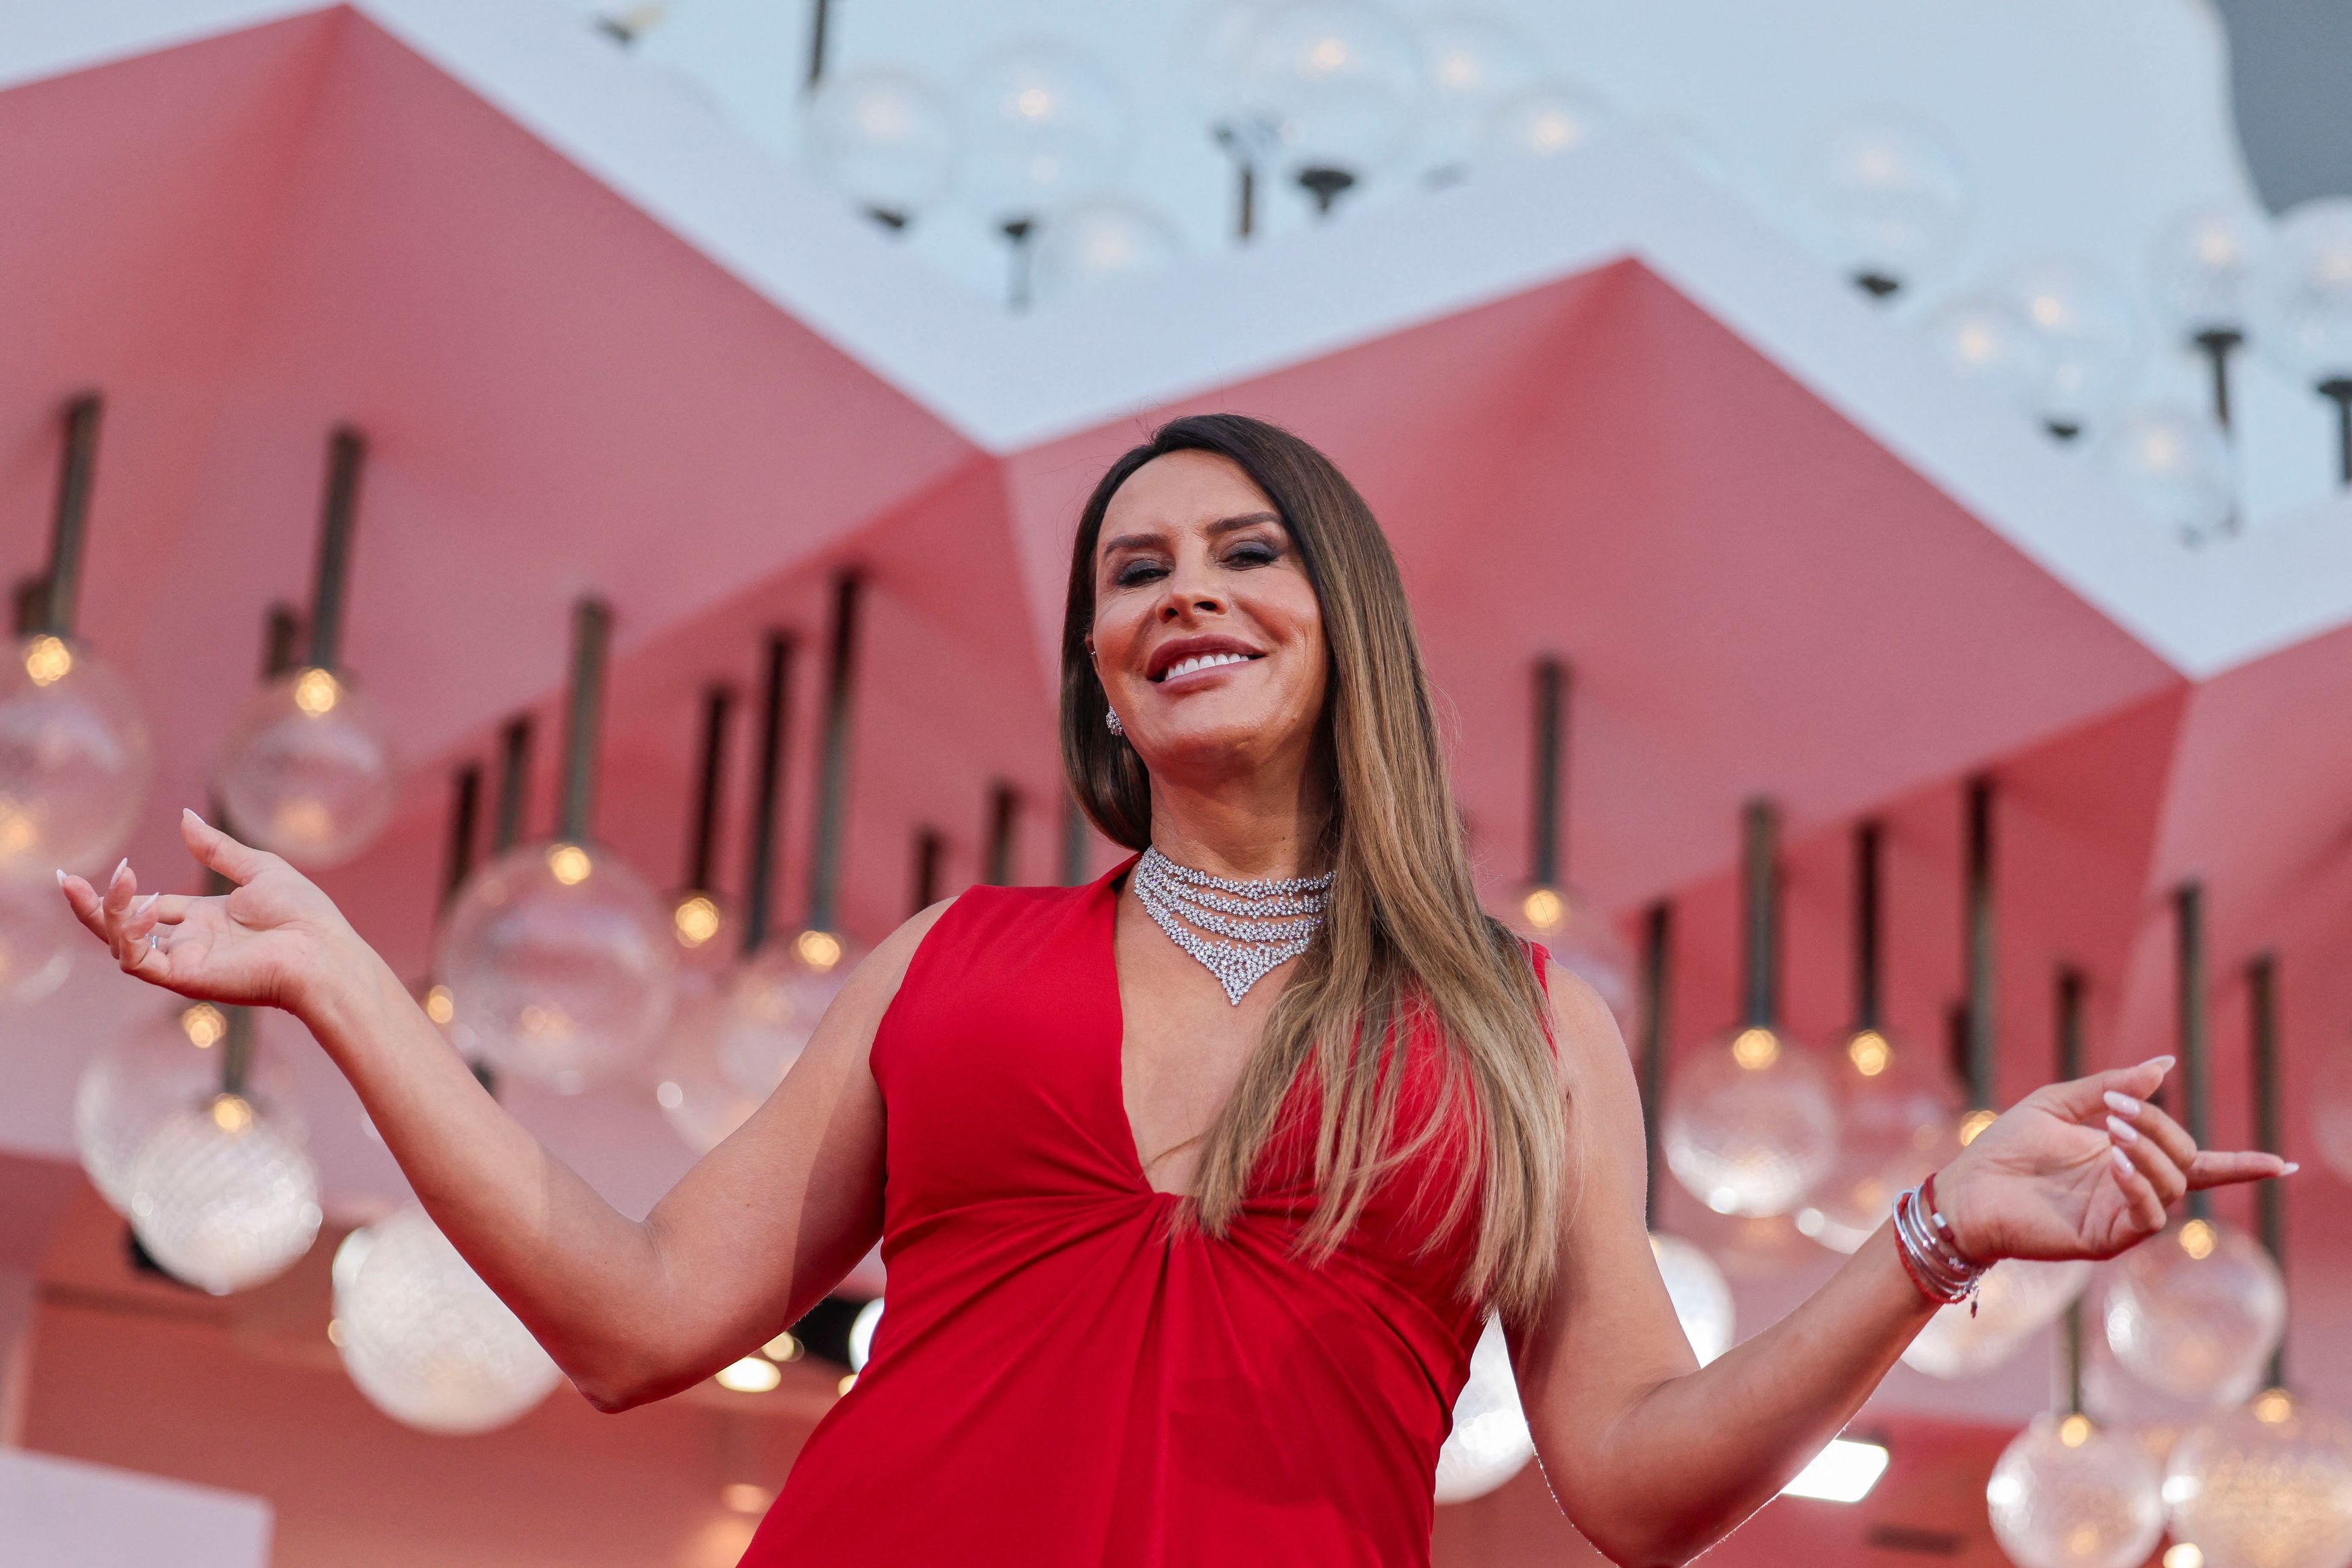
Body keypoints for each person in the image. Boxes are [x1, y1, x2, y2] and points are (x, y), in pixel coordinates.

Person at [60, 412, 2290, 1567]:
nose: (1180, 593)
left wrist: (1929, 1239)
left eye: (1241, 553)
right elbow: (642, 1318)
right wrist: (346, 987)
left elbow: (1627, 1484)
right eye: (1132, 573)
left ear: (1344, 626)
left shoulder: (1525, 1031)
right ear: (1102, 676)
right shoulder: (956, 963)